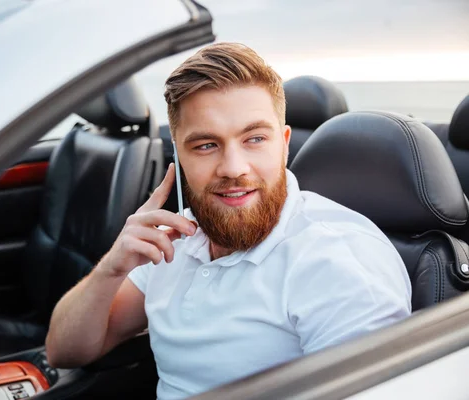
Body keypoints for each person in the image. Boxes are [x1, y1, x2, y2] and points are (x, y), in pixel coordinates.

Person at [45, 42, 411, 399]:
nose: (234, 168)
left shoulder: (338, 262)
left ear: (283, 145)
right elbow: (66, 352)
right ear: (178, 154)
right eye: (206, 145)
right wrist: (112, 268)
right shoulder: (177, 234)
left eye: (254, 139)